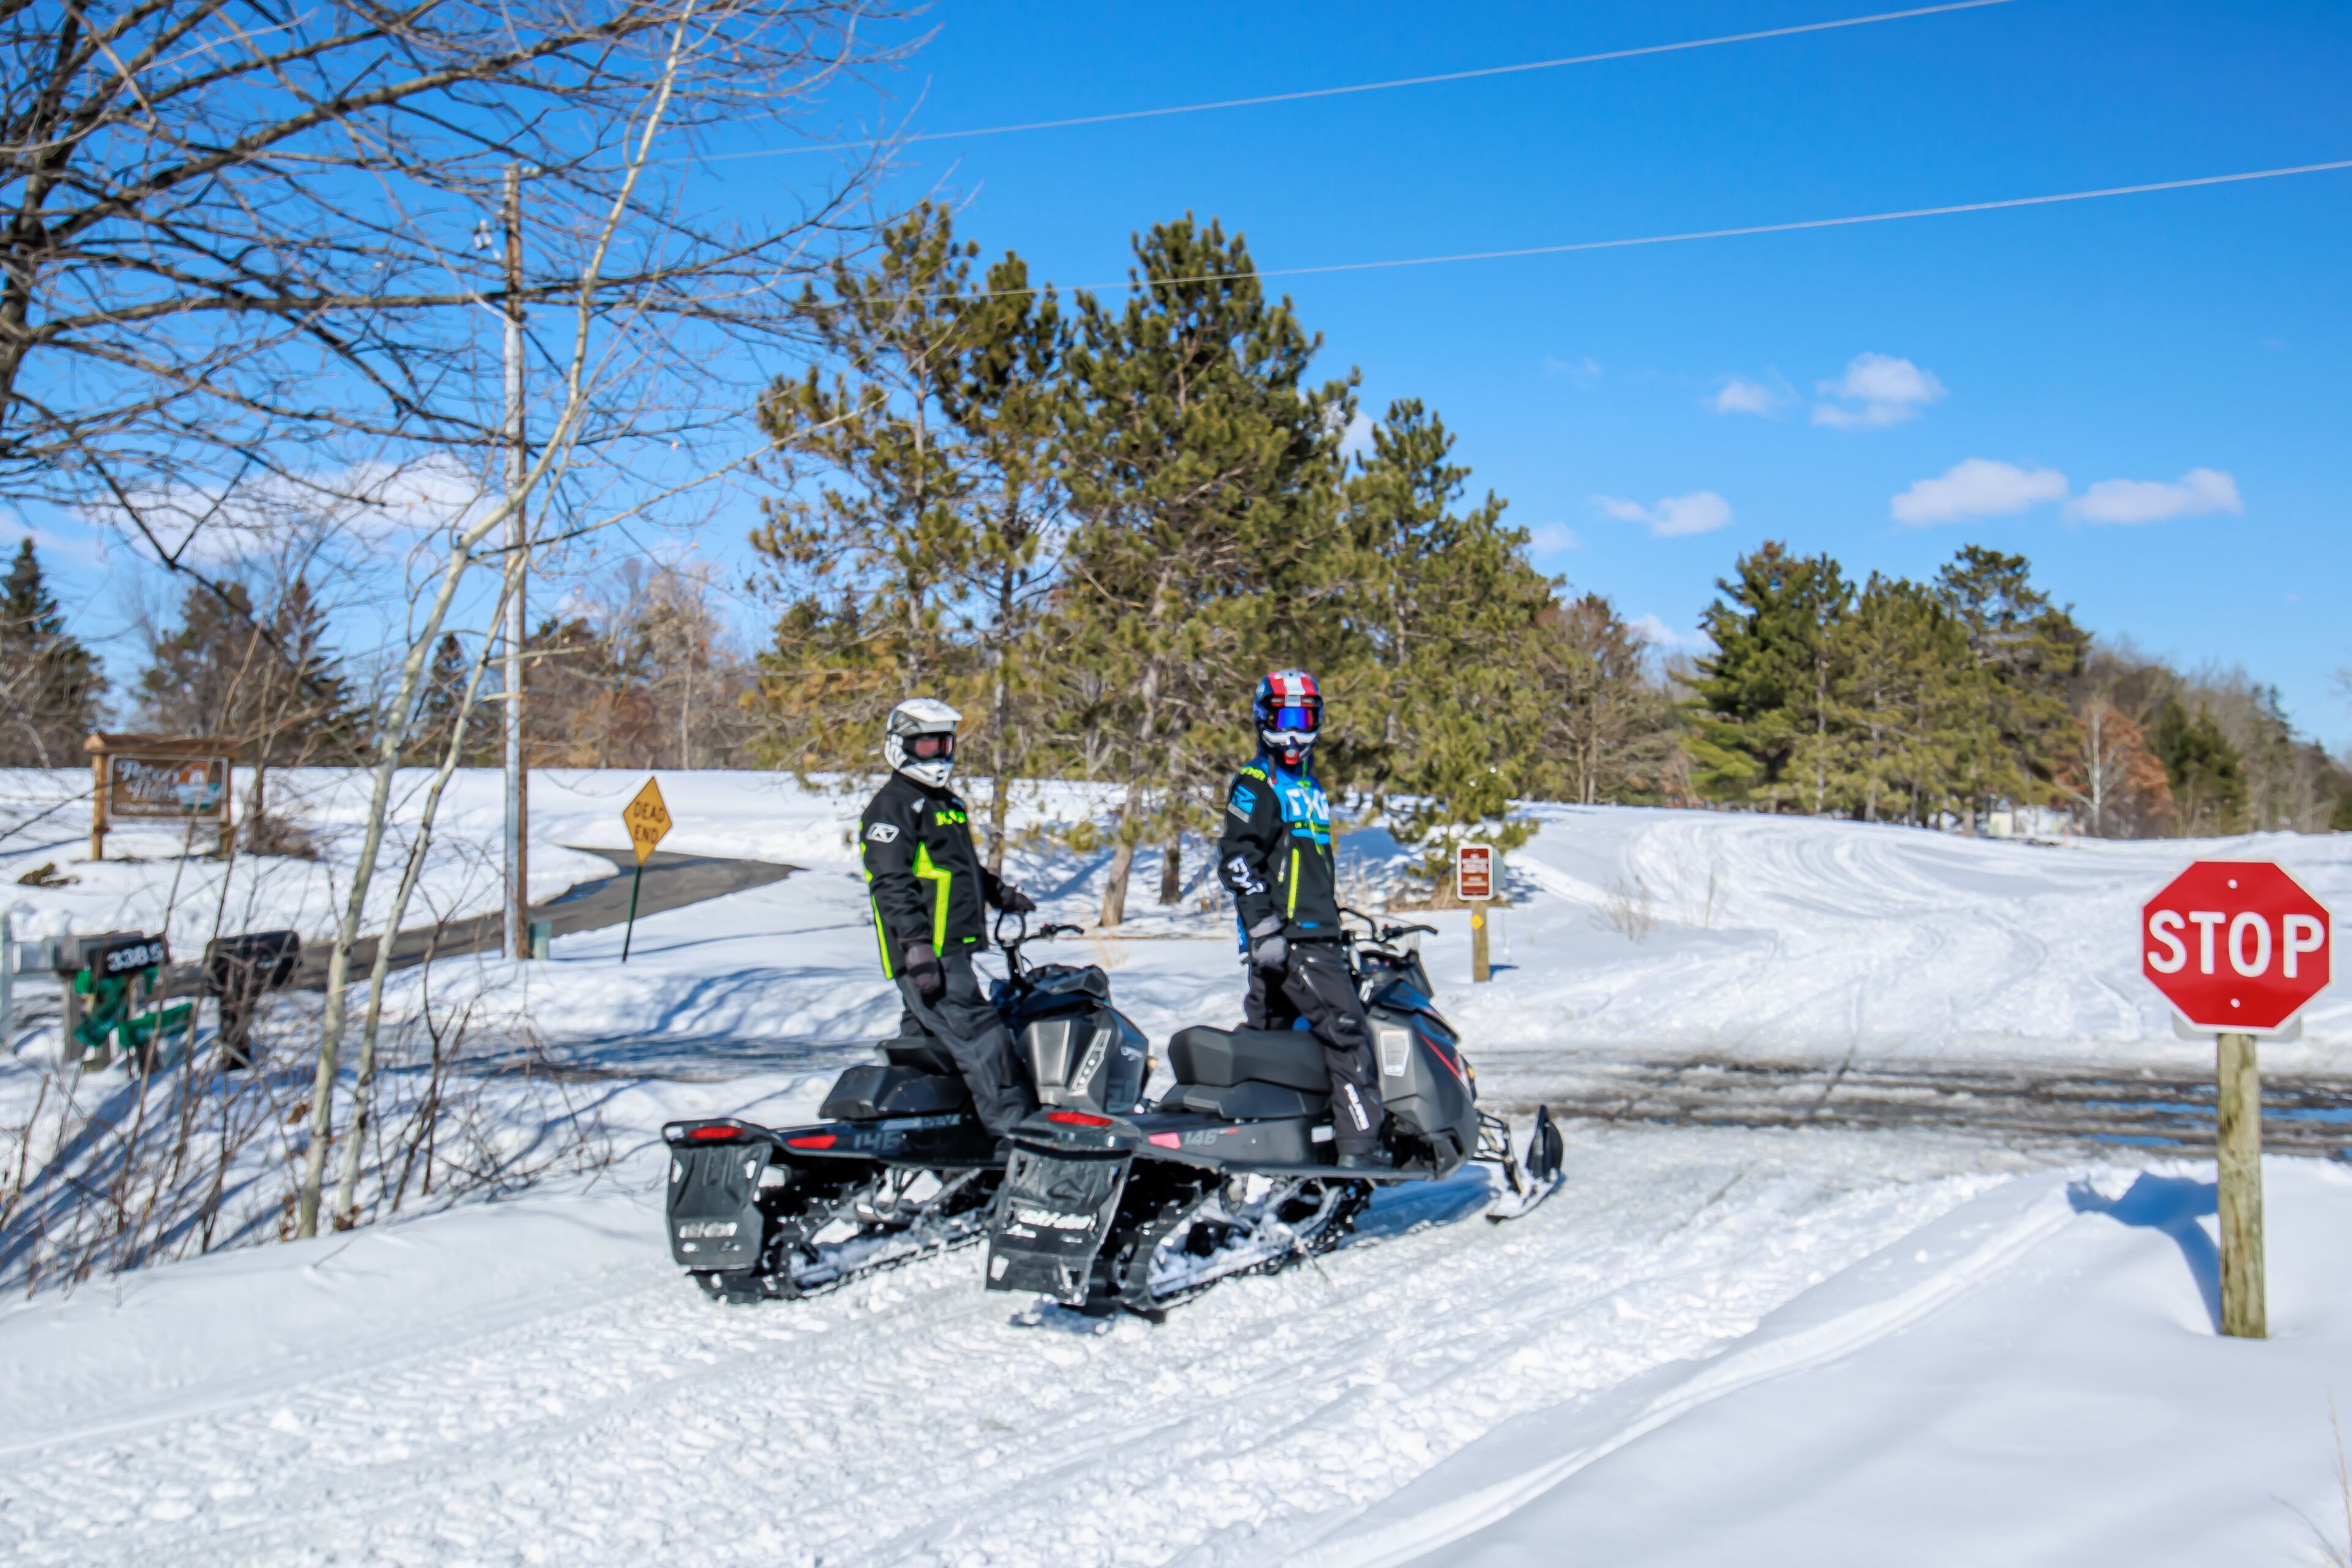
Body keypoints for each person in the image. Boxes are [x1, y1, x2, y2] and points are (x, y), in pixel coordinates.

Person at [1215, 669, 1391, 1169]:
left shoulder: (1310, 786)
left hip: (1313, 933)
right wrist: (1262, 925)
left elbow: (1306, 868)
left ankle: (1268, 1146)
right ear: (1263, 719)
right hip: (1292, 939)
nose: (1293, 733)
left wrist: (1333, 922)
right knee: (1346, 1032)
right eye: (1284, 719)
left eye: (1304, 719)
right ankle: (1360, 1148)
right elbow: (1238, 858)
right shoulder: (1257, 784)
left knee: (1270, 1042)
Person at [859, 697, 1037, 1142]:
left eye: (944, 744)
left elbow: (960, 867)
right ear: (900, 747)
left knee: (927, 1047)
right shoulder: (893, 806)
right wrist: (916, 945)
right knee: (983, 1036)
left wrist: (1000, 894)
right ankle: (1017, 1134)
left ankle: (926, 1138)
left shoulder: (946, 803)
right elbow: (891, 881)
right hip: (929, 952)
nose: (938, 755)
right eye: (926, 746)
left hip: (952, 946)